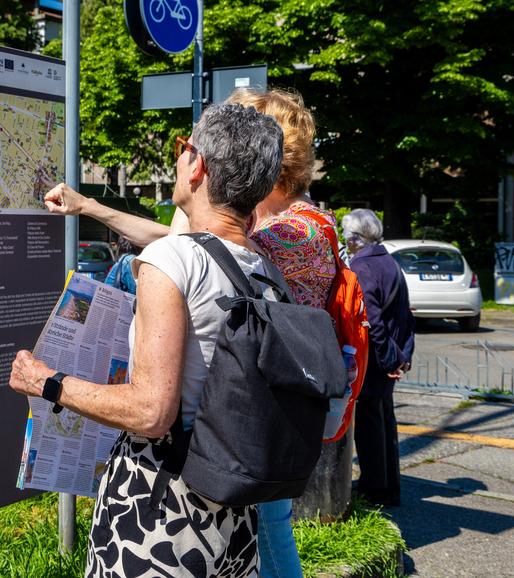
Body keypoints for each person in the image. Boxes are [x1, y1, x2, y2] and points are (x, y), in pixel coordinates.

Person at [40, 87, 330, 578]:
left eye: (184, 150)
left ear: (198, 168)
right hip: (231, 502)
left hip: (159, 507)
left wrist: (46, 382)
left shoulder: (182, 259)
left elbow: (151, 412)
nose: (179, 159)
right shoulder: (264, 265)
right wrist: (91, 205)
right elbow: (198, 242)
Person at [341, 209, 415, 507]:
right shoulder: (389, 262)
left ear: (357, 240)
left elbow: (371, 322)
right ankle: (388, 486)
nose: (346, 243)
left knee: (371, 426)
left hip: (374, 361)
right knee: (384, 421)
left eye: (347, 238)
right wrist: (402, 357)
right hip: (389, 358)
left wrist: (388, 361)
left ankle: (375, 488)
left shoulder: (362, 267)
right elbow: (405, 315)